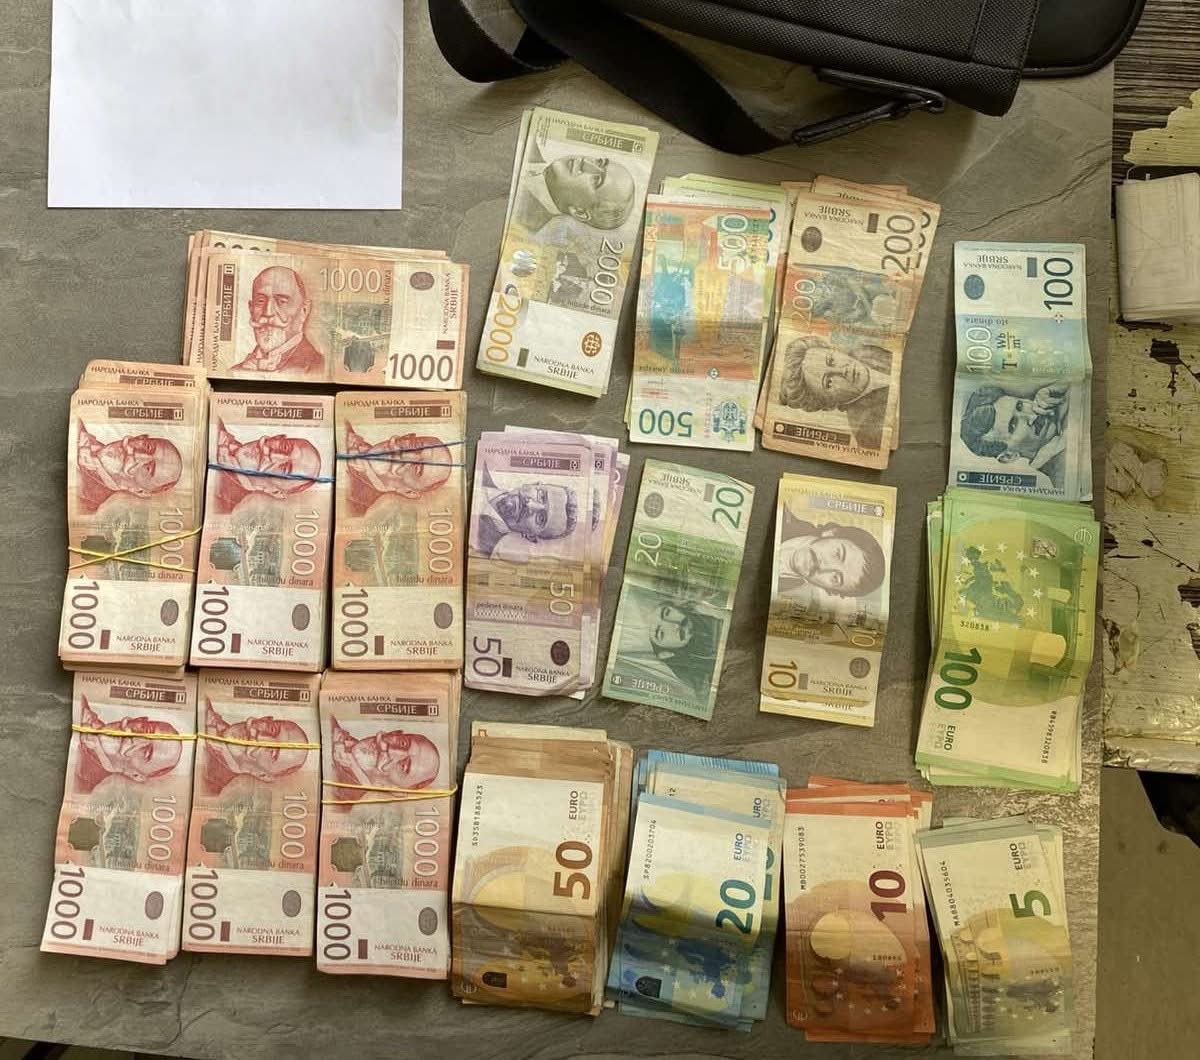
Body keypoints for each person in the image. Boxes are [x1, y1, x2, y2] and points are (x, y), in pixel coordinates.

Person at [777, 336, 893, 450]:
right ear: (829, 403)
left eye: (831, 360)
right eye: (829, 382)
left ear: (835, 351)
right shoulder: (866, 432)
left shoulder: (865, 350)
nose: (842, 371)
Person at [959, 382, 1070, 489]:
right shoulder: (1064, 476)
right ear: (1008, 456)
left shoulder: (1062, 400)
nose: (1032, 416)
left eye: (1020, 406)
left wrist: (1063, 388)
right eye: (1013, 426)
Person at [74, 697, 183, 794]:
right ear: (134, 719)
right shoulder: (80, 701)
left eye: (146, 753)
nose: (134, 738)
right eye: (146, 730)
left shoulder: (83, 786)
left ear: (136, 775)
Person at [201, 701, 312, 795]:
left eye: (272, 751)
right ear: (264, 718)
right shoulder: (204, 704)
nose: (259, 737)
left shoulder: (207, 784)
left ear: (262, 775)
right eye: (272, 729)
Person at [230, 266, 325, 376]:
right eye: (260, 301)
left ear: (304, 310)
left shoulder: (318, 367)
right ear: (251, 309)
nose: (268, 312)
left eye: (282, 301)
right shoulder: (234, 371)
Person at [213, 420, 324, 513]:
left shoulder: (218, 502)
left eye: (284, 469)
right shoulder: (216, 423)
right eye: (284, 447)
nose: (272, 455)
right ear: (277, 436)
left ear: (275, 492)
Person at [341, 423, 454, 514]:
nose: (404, 454)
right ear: (404, 436)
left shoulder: (353, 507)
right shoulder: (344, 428)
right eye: (415, 446)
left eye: (417, 468)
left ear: (409, 492)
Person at [473, 464, 578, 559]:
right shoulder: (479, 466)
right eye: (541, 496)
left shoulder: (479, 551)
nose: (529, 505)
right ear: (533, 484)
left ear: (530, 536)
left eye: (541, 518)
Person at [328, 717, 441, 806]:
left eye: (403, 766)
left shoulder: (338, 796)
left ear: (396, 790)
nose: (390, 750)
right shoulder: (330, 724)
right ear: (394, 732)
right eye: (403, 743)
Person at [776, 510, 887, 599]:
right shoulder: (780, 515)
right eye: (837, 554)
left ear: (829, 590)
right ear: (831, 532)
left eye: (835, 578)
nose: (823, 567)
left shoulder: (782, 590)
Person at [75, 424, 183, 513]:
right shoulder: (77, 428)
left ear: (140, 491)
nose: (136, 454)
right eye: (147, 446)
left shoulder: (82, 503)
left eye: (147, 468)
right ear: (139, 437)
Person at [514, 155, 637, 233]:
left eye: (596, 179)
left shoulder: (520, 225)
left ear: (579, 212)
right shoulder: (531, 149)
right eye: (599, 162)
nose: (585, 163)